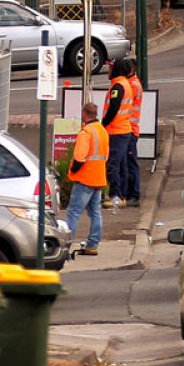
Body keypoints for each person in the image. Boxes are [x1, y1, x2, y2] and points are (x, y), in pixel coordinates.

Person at [66, 102, 110, 256]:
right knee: (95, 212)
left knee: (73, 212)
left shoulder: (86, 132)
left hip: (85, 179)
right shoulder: (102, 131)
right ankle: (93, 245)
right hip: (99, 177)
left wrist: (71, 170)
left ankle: (65, 245)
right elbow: (105, 156)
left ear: (84, 114)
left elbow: (79, 158)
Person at [101, 58, 143, 208]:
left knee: (115, 164)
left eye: (110, 68)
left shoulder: (121, 86)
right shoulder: (126, 84)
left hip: (118, 129)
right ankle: (123, 195)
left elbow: (113, 109)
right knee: (123, 164)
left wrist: (103, 124)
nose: (108, 70)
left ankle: (119, 195)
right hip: (125, 128)